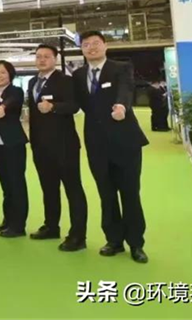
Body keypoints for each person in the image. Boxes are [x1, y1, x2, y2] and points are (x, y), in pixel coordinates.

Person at [74, 31, 149, 264]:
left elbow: (125, 90)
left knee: (130, 194)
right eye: (86, 44)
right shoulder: (78, 75)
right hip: (96, 143)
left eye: (96, 43)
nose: (91, 47)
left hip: (125, 141)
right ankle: (114, 240)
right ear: (82, 50)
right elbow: (76, 102)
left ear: (105, 45)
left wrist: (121, 107)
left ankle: (136, 243)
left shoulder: (121, 68)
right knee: (106, 195)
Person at [28, 44, 87, 251]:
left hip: (64, 145)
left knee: (73, 189)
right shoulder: (33, 82)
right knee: (49, 188)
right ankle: (51, 226)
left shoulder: (65, 81)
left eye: (46, 56)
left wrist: (53, 107)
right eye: (38, 56)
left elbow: (74, 106)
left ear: (55, 59)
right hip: (40, 146)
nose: (42, 60)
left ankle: (78, 236)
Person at [0, 60, 28, 238]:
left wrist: (3, 107)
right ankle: (8, 219)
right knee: (5, 184)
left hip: (12, 144)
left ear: (10, 75)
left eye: (3, 72)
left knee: (16, 184)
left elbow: (13, 101)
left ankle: (18, 226)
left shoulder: (15, 91)